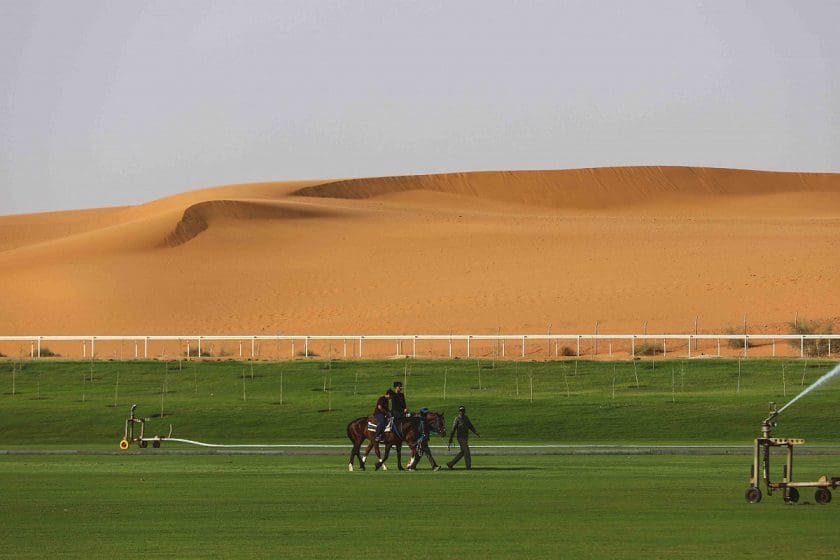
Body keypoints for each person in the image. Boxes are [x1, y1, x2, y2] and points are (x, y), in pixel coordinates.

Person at [447, 405, 480, 470]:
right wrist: (450, 438)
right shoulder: (457, 419)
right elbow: (453, 429)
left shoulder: (466, 418)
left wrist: (476, 432)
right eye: (461, 411)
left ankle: (450, 464)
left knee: (463, 452)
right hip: (460, 438)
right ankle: (468, 467)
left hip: (465, 437)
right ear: (459, 411)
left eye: (463, 411)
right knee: (467, 451)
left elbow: (470, 426)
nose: (462, 412)